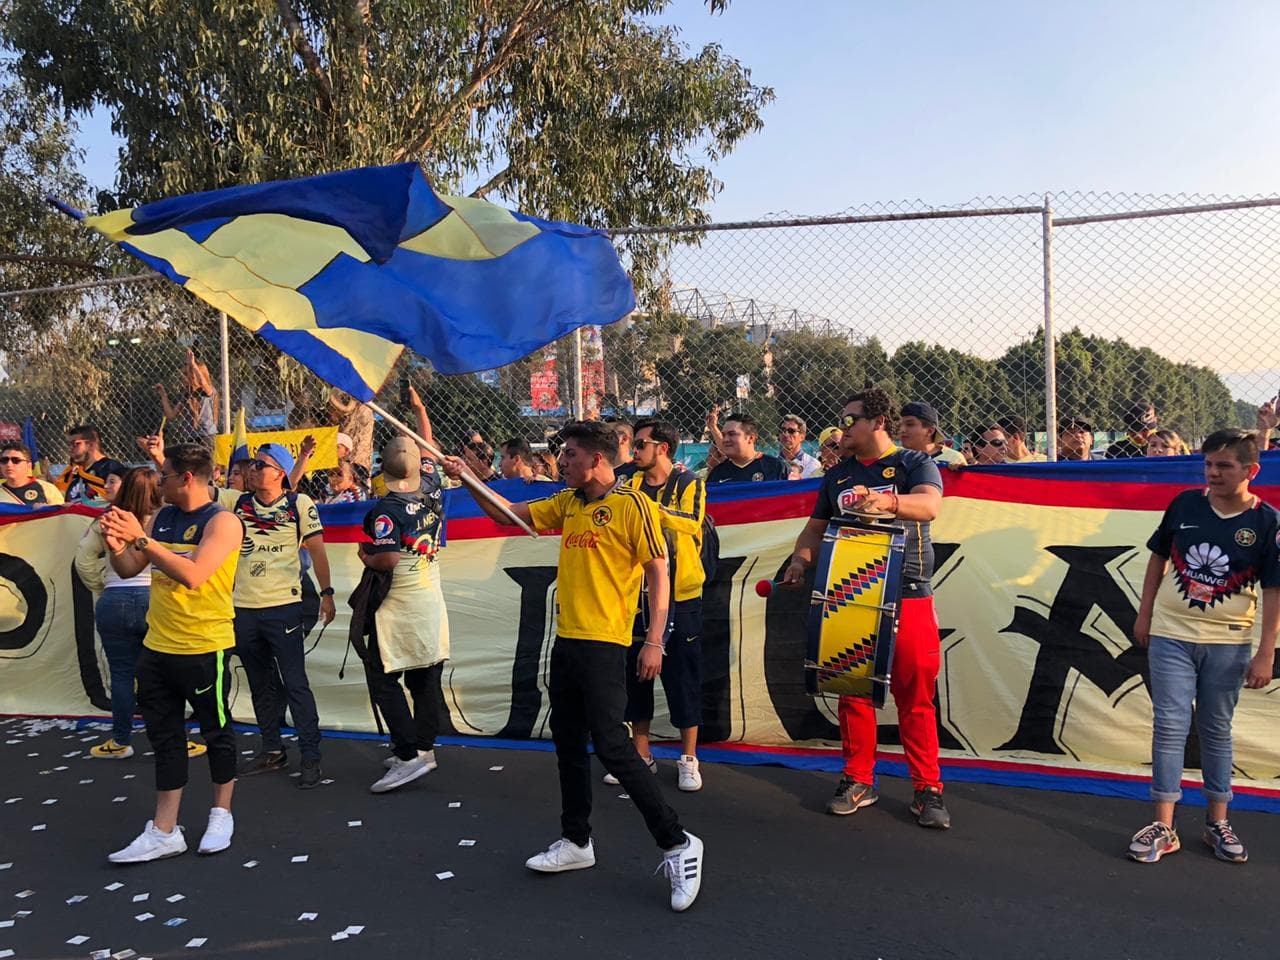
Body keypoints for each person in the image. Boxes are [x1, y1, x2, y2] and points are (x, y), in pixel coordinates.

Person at [443, 421, 704, 912]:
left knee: (611, 744)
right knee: (566, 742)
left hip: (607, 644)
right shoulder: (568, 503)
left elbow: (658, 571)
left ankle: (677, 842)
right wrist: (467, 480)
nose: (560, 463)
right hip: (567, 642)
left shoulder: (633, 506)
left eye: (568, 455)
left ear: (597, 460)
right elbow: (508, 515)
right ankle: (576, 841)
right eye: (561, 456)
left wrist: (654, 640)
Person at [781, 388, 950, 830]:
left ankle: (927, 789)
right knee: (853, 690)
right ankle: (858, 779)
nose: (843, 429)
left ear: (878, 422)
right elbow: (815, 529)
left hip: (909, 591)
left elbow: (930, 505)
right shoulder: (837, 475)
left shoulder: (914, 463)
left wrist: (889, 501)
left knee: (916, 695)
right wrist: (801, 560)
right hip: (853, 595)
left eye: (851, 419)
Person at [1127, 429, 1279, 864]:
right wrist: (1145, 613)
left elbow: (1273, 591)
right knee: (1170, 725)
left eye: (1224, 466)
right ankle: (1164, 825)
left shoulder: (1267, 522)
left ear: (1251, 471)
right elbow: (1158, 556)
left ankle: (1217, 821)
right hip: (1171, 635)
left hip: (1229, 644)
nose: (1213, 473)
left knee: (1215, 729)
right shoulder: (1185, 504)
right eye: (1209, 464)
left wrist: (1265, 652)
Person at [100, 443, 243, 863]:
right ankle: (164, 831)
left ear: (185, 477)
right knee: (165, 738)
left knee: (216, 732)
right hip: (158, 644)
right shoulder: (163, 518)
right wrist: (116, 543)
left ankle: (222, 813)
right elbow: (131, 568)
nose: (156, 483)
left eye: (163, 475)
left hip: (204, 644)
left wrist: (141, 538)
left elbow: (195, 575)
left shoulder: (223, 522)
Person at [604, 418, 708, 792]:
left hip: (682, 595)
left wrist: (645, 510)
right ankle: (641, 755)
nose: (635, 452)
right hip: (637, 594)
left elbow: (692, 522)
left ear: (662, 448)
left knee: (683, 677)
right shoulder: (629, 482)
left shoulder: (689, 482)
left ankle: (689, 759)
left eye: (641, 445)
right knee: (636, 677)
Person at [232, 444, 335, 789]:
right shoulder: (236, 502)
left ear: (280, 473)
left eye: (261, 465)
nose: (253, 470)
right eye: (251, 465)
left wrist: (327, 593)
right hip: (243, 608)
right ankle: (272, 749)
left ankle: (311, 756)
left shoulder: (298, 504)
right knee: (260, 683)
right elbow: (196, 487)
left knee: (294, 682)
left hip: (284, 607)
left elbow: (318, 550)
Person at [358, 436, 451, 794]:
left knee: (383, 676)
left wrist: (367, 558)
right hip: (430, 597)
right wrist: (419, 410)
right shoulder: (432, 486)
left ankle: (408, 753)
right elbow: (429, 451)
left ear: (384, 470)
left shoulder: (386, 510)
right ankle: (424, 749)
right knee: (425, 676)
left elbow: (388, 559)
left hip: (399, 602)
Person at [76, 468, 162, 759]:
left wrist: (103, 587)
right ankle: (172, 738)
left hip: (114, 598)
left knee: (122, 674)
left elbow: (84, 560)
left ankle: (120, 740)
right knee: (163, 673)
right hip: (156, 599)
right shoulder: (165, 518)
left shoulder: (107, 519)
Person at [154, 348, 217, 445]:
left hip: (205, 435)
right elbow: (171, 415)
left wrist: (193, 365)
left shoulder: (207, 390)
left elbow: (203, 383)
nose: (183, 377)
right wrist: (163, 395)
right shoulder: (186, 394)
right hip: (190, 436)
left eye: (187, 374)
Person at [54, 425, 126, 504]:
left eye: (75, 444)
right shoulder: (74, 470)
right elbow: (61, 492)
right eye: (69, 444)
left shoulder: (110, 467)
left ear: (92, 445)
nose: (70, 448)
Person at [707, 413, 786, 483]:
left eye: (732, 434)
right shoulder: (717, 474)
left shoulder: (776, 467)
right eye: (723, 435)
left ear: (751, 438)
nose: (726, 439)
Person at [899, 402, 965, 469]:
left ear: (930, 431)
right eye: (900, 425)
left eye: (910, 424)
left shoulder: (954, 458)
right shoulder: (896, 457)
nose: (902, 429)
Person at [0, 441, 63, 506]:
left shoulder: (48, 489)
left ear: (29, 465)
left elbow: (60, 514)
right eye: (4, 460)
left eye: (16, 460)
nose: (9, 464)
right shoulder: (1, 490)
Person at [777, 415, 822, 479]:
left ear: (802, 436)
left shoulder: (812, 464)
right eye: (782, 430)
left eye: (791, 431)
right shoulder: (771, 463)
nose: (785, 434)